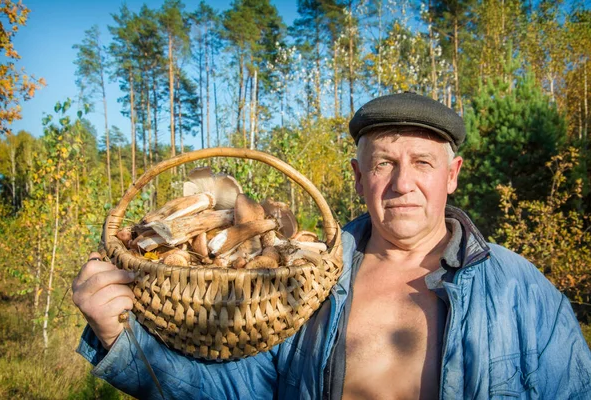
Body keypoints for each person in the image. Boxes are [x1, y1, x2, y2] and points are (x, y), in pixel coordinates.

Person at [72, 92, 591, 399]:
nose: (402, 183)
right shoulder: (305, 275)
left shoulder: (524, 292)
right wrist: (119, 337)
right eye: (384, 162)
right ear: (359, 176)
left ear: (452, 176)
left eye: (424, 163)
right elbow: (239, 391)